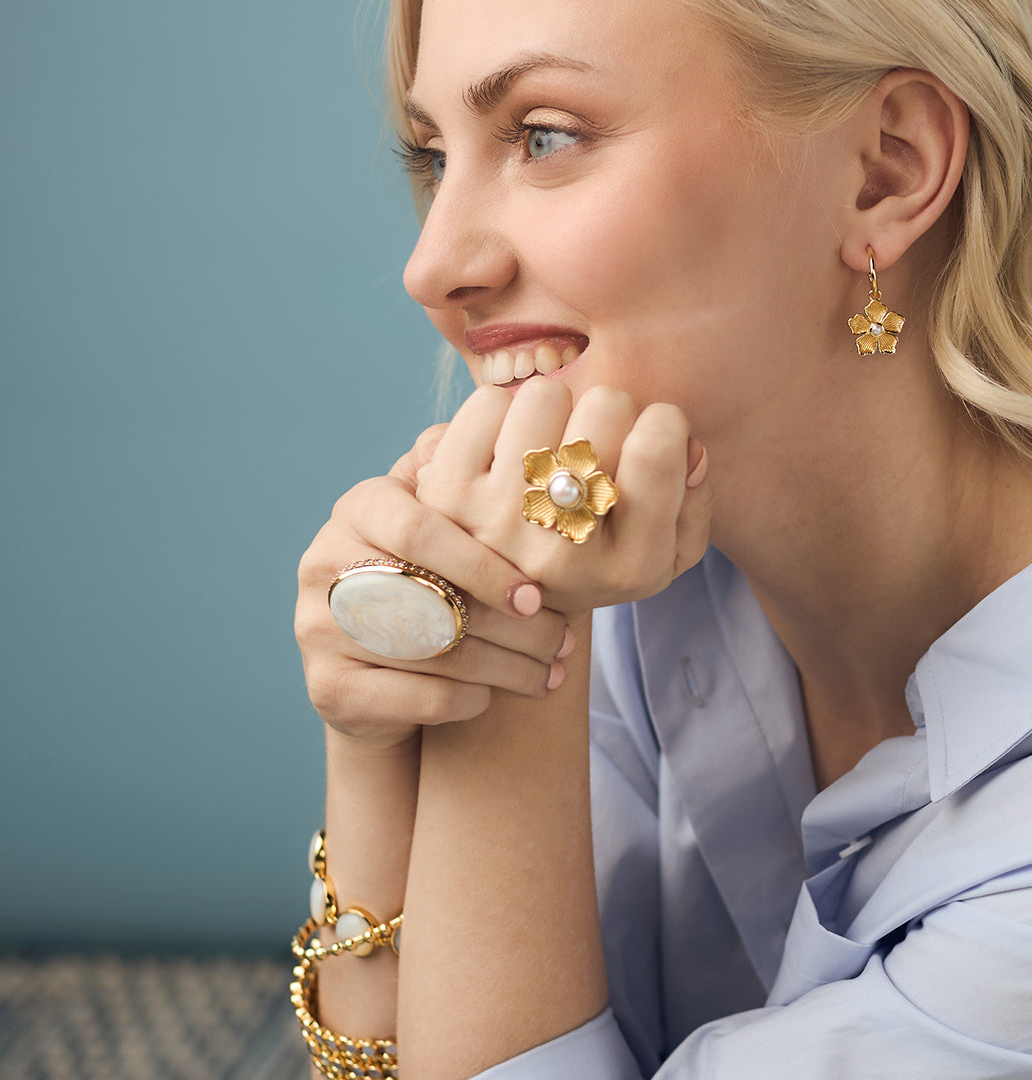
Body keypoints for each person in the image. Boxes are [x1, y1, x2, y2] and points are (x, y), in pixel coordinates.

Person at [291, 0, 1032, 1075]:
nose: (430, 265)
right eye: (431, 153)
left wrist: (510, 640)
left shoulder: (569, 567)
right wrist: (371, 740)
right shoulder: (636, 567)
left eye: (544, 136)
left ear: (886, 168)